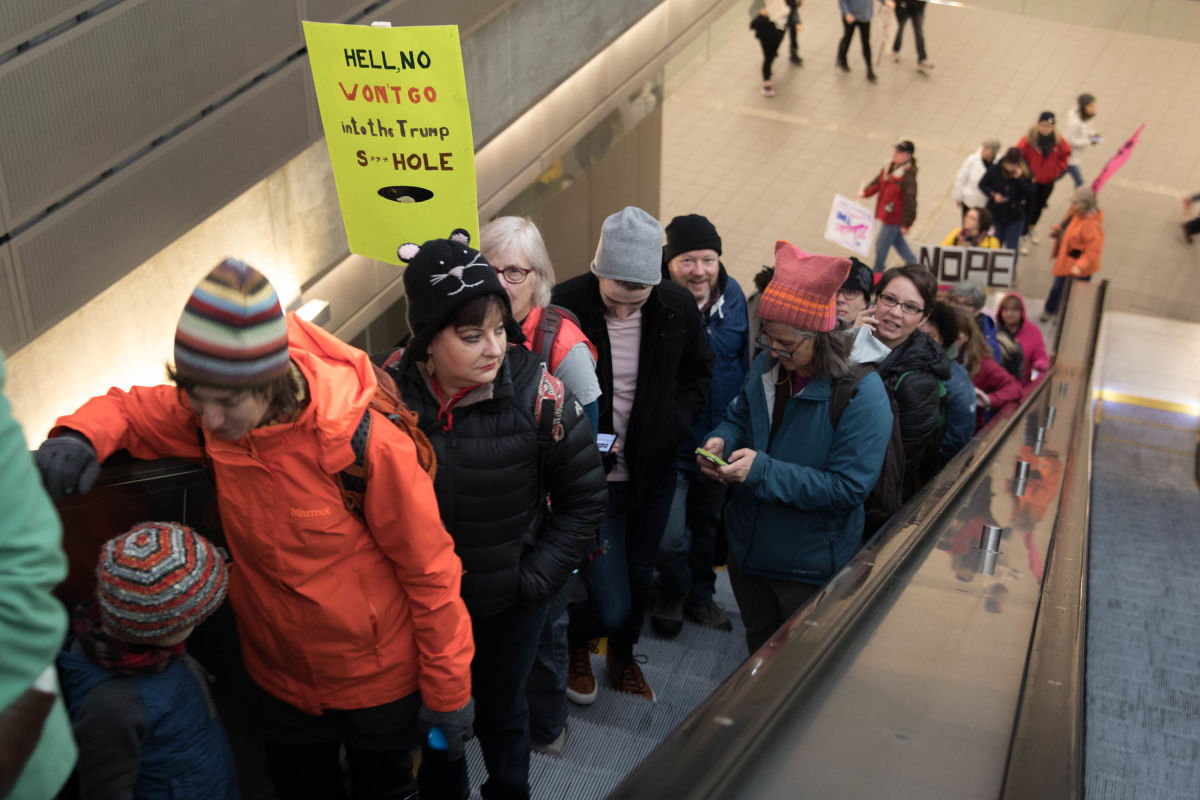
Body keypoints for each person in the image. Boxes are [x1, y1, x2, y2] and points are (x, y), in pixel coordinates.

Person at [34, 258, 475, 800]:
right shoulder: (212, 410)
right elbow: (129, 409)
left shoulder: (366, 445)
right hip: (277, 679)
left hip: (376, 683)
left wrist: (449, 692)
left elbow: (431, 574)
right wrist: (78, 435)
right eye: (199, 401)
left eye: (225, 404)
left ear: (271, 383)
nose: (211, 422)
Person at [388, 231, 607, 796]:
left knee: (504, 715)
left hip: (509, 606)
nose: (493, 348)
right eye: (470, 335)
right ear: (427, 342)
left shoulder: (541, 393)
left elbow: (585, 500)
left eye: (498, 330)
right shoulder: (386, 400)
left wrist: (532, 579)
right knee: (441, 723)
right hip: (421, 612)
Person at [552, 206, 712, 704]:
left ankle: (621, 657)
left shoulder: (676, 307)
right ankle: (580, 644)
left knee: (641, 573)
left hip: (652, 473)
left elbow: (697, 376)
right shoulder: (566, 305)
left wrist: (671, 427)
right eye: (616, 289)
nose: (624, 306)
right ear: (599, 271)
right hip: (590, 479)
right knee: (607, 594)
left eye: (637, 292)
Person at [699, 243, 892, 653]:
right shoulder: (768, 365)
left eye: (787, 343)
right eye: (768, 339)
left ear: (820, 338)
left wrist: (762, 471)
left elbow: (847, 489)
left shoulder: (862, 394)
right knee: (757, 646)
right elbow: (740, 416)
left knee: (793, 662)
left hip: (806, 567)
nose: (775, 351)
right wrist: (723, 439)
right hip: (748, 550)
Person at [478, 217, 603, 759]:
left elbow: (588, 450)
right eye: (489, 268)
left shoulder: (563, 347)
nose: (501, 281)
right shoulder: (469, 331)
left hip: (544, 531)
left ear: (539, 278)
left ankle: (548, 730)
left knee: (546, 636)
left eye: (514, 271)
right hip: (491, 522)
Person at [58, 522, 239, 799]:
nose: (198, 624)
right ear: (160, 627)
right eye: (193, 619)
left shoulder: (148, 639)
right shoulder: (110, 705)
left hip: (204, 775)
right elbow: (105, 789)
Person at [652, 214, 749, 637]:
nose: (699, 271)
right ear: (670, 262)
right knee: (670, 536)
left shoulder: (735, 298)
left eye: (707, 260)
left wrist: (737, 429)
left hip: (717, 440)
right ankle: (671, 591)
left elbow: (742, 366)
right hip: (670, 444)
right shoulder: (657, 300)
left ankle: (701, 597)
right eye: (687, 261)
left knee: (708, 526)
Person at [0, 351, 76, 800]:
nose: (212, 419)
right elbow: (140, 408)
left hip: (16, 759)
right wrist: (83, 433)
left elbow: (26, 560)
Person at [856, 263, 950, 498]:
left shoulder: (918, 383)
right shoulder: (854, 337)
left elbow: (903, 465)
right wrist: (848, 341)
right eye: (889, 299)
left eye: (910, 307)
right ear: (876, 299)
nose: (895, 313)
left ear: (923, 317)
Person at [918, 304, 977, 467]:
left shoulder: (950, 379)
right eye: (918, 335)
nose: (922, 342)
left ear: (942, 339)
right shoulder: (932, 367)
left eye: (929, 336)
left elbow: (956, 440)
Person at [952, 306, 1023, 428]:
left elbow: (1014, 388)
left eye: (953, 332)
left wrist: (989, 400)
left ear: (966, 336)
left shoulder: (982, 364)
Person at [1042, 185, 1104, 320]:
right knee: (1057, 288)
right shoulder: (1075, 213)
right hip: (1066, 261)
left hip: (1078, 267)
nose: (1072, 204)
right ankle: (1050, 310)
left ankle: (1067, 316)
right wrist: (1056, 230)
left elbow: (1093, 250)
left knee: (1074, 293)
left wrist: (1080, 266)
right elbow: (1066, 225)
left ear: (1084, 205)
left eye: (1075, 202)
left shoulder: (1091, 224)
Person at [860, 140, 919, 273]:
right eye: (896, 150)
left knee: (881, 244)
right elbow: (877, 183)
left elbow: (911, 202)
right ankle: (914, 264)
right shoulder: (889, 168)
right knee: (898, 242)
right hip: (887, 215)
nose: (895, 154)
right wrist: (865, 192)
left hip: (894, 218)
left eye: (899, 152)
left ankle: (877, 271)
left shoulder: (907, 177)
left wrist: (906, 224)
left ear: (908, 156)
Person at [1017, 111, 1072, 252]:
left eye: (1048, 126)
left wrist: (1057, 170)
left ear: (1053, 126)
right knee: (1029, 207)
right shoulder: (1029, 140)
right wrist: (1027, 173)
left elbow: (1065, 156)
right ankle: (1022, 234)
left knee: (1039, 207)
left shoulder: (1058, 142)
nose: (1045, 128)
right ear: (1038, 125)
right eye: (1043, 125)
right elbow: (1019, 156)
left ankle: (1031, 228)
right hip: (1031, 182)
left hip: (1047, 182)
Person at [996, 294, 1049, 386]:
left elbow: (1040, 355)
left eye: (1014, 310)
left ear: (1021, 312)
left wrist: (1040, 364)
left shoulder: (1032, 331)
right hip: (995, 385)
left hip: (1021, 387)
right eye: (1006, 310)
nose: (1009, 314)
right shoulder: (993, 329)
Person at [953, 140, 1000, 218]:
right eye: (983, 148)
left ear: (992, 152)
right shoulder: (972, 160)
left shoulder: (998, 163)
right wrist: (958, 196)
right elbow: (961, 178)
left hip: (987, 204)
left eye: (986, 149)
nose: (982, 150)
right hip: (970, 201)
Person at [1063, 93, 1101, 188]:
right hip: (1070, 159)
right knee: (1080, 183)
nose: (1093, 108)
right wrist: (1089, 141)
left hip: (1073, 159)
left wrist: (1093, 136)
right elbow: (1070, 140)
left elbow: (1087, 129)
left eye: (1094, 105)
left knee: (1056, 176)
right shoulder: (1075, 123)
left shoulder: (1085, 118)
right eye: (1091, 106)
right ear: (1084, 107)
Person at [836, 0, 879, 83]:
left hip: (865, 17)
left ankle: (869, 69)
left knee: (866, 42)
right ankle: (842, 58)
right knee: (847, 38)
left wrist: (886, 2)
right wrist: (847, 13)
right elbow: (842, 1)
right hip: (851, 16)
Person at [750, 9, 785, 97]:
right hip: (767, 38)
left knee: (771, 56)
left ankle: (768, 71)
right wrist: (762, 15)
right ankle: (767, 84)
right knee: (768, 59)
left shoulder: (785, 5)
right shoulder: (765, 9)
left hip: (778, 35)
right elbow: (754, 21)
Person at [891, 0, 933, 70]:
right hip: (904, 7)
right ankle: (896, 49)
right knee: (899, 29)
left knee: (919, 32)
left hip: (918, 8)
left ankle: (922, 59)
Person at [835, 257, 875, 326]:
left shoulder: (874, 333)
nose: (839, 299)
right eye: (835, 291)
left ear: (865, 302)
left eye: (850, 292)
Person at [785, 0, 803, 65]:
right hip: (779, 18)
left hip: (789, 15)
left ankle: (793, 54)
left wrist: (797, 22)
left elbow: (793, 9)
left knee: (793, 35)